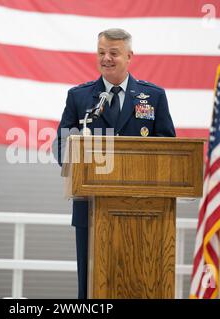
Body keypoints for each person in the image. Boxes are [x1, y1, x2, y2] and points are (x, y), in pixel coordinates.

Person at [53, 28, 176, 299]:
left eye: (113, 53)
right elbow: (60, 143)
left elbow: (169, 149)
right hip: (90, 208)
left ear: (129, 56)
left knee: (140, 282)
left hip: (143, 211)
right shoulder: (80, 97)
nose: (105, 58)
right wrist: (77, 165)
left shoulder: (153, 97)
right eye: (101, 52)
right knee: (90, 287)